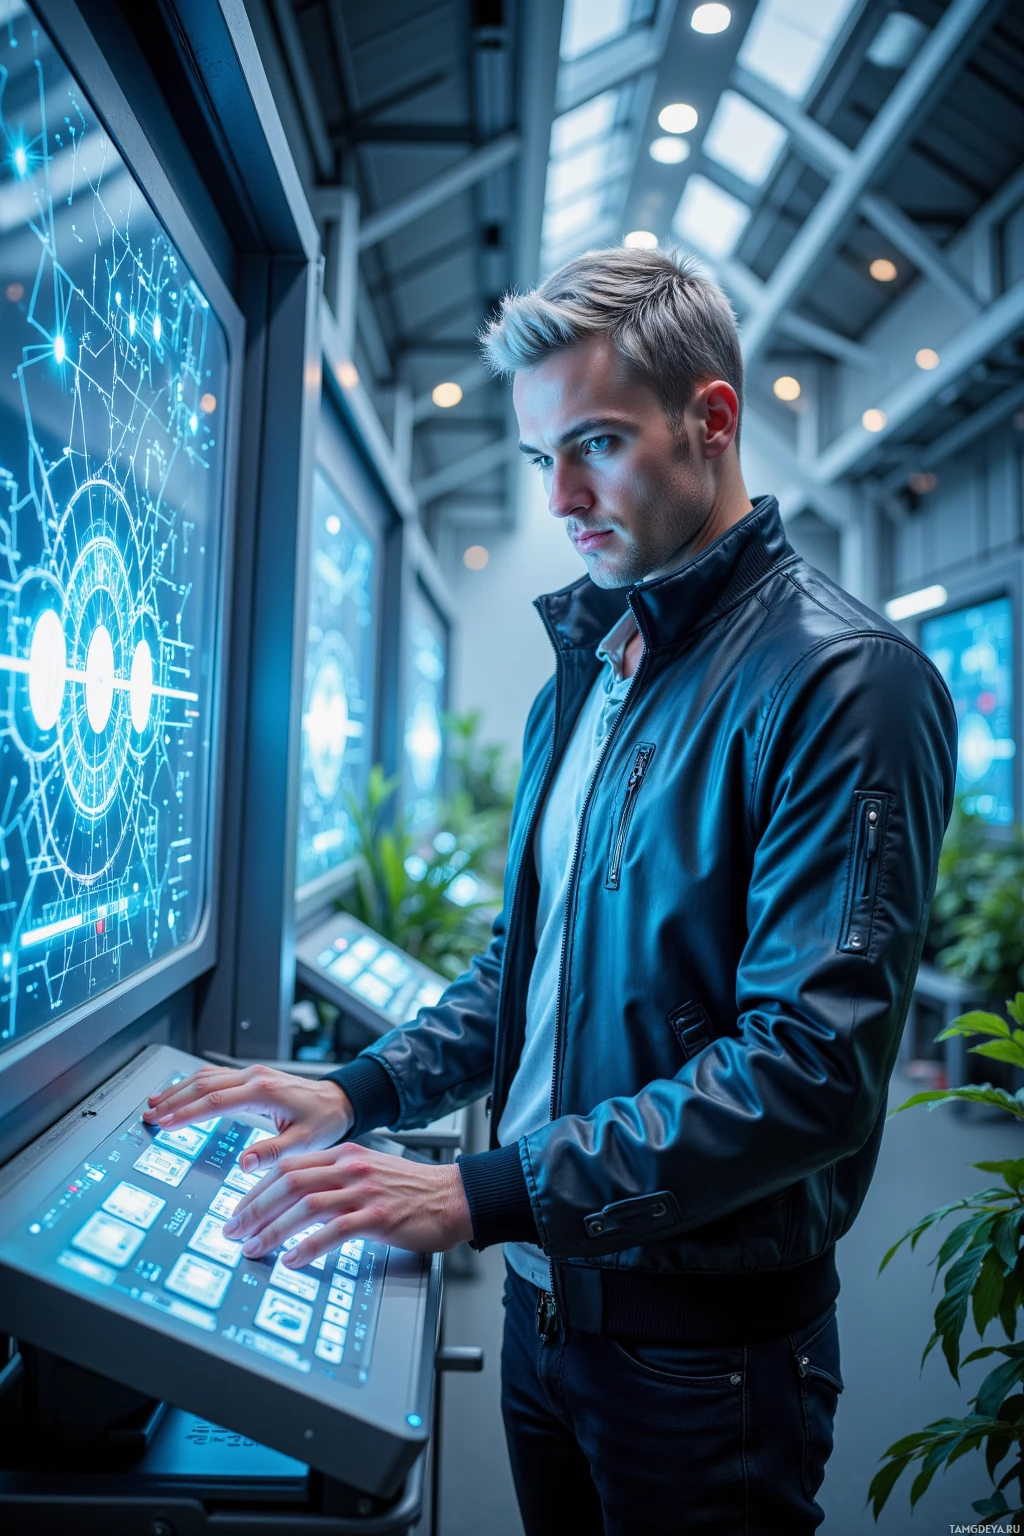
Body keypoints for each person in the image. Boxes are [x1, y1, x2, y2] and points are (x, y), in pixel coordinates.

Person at [146, 248, 958, 1534]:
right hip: (543, 1310)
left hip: (702, 1357)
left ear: (713, 418)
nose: (564, 497)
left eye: (595, 443)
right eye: (541, 460)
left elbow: (810, 1070)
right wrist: (358, 1090)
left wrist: (481, 1193)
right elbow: (522, 971)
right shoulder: (595, 667)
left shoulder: (846, 683)